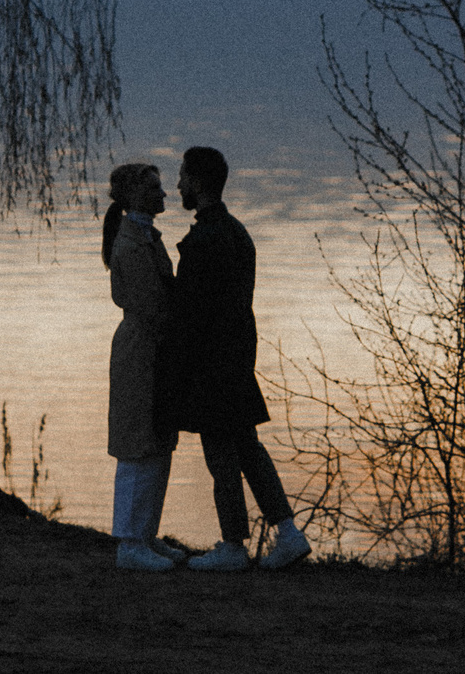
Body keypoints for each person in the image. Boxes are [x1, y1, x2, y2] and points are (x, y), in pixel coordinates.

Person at [163, 145, 310, 571]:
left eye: (182, 177)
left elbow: (189, 316)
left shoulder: (203, 241)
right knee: (248, 448)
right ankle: (288, 533)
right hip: (238, 356)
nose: (178, 185)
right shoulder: (238, 232)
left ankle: (232, 546)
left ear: (197, 181)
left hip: (211, 362)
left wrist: (176, 370)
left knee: (221, 456)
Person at [103, 162, 182, 572]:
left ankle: (145, 535)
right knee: (136, 444)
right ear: (134, 196)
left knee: (157, 440)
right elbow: (152, 305)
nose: (164, 195)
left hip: (154, 348)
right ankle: (129, 543)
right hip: (141, 350)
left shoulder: (145, 237)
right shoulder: (133, 244)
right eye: (154, 189)